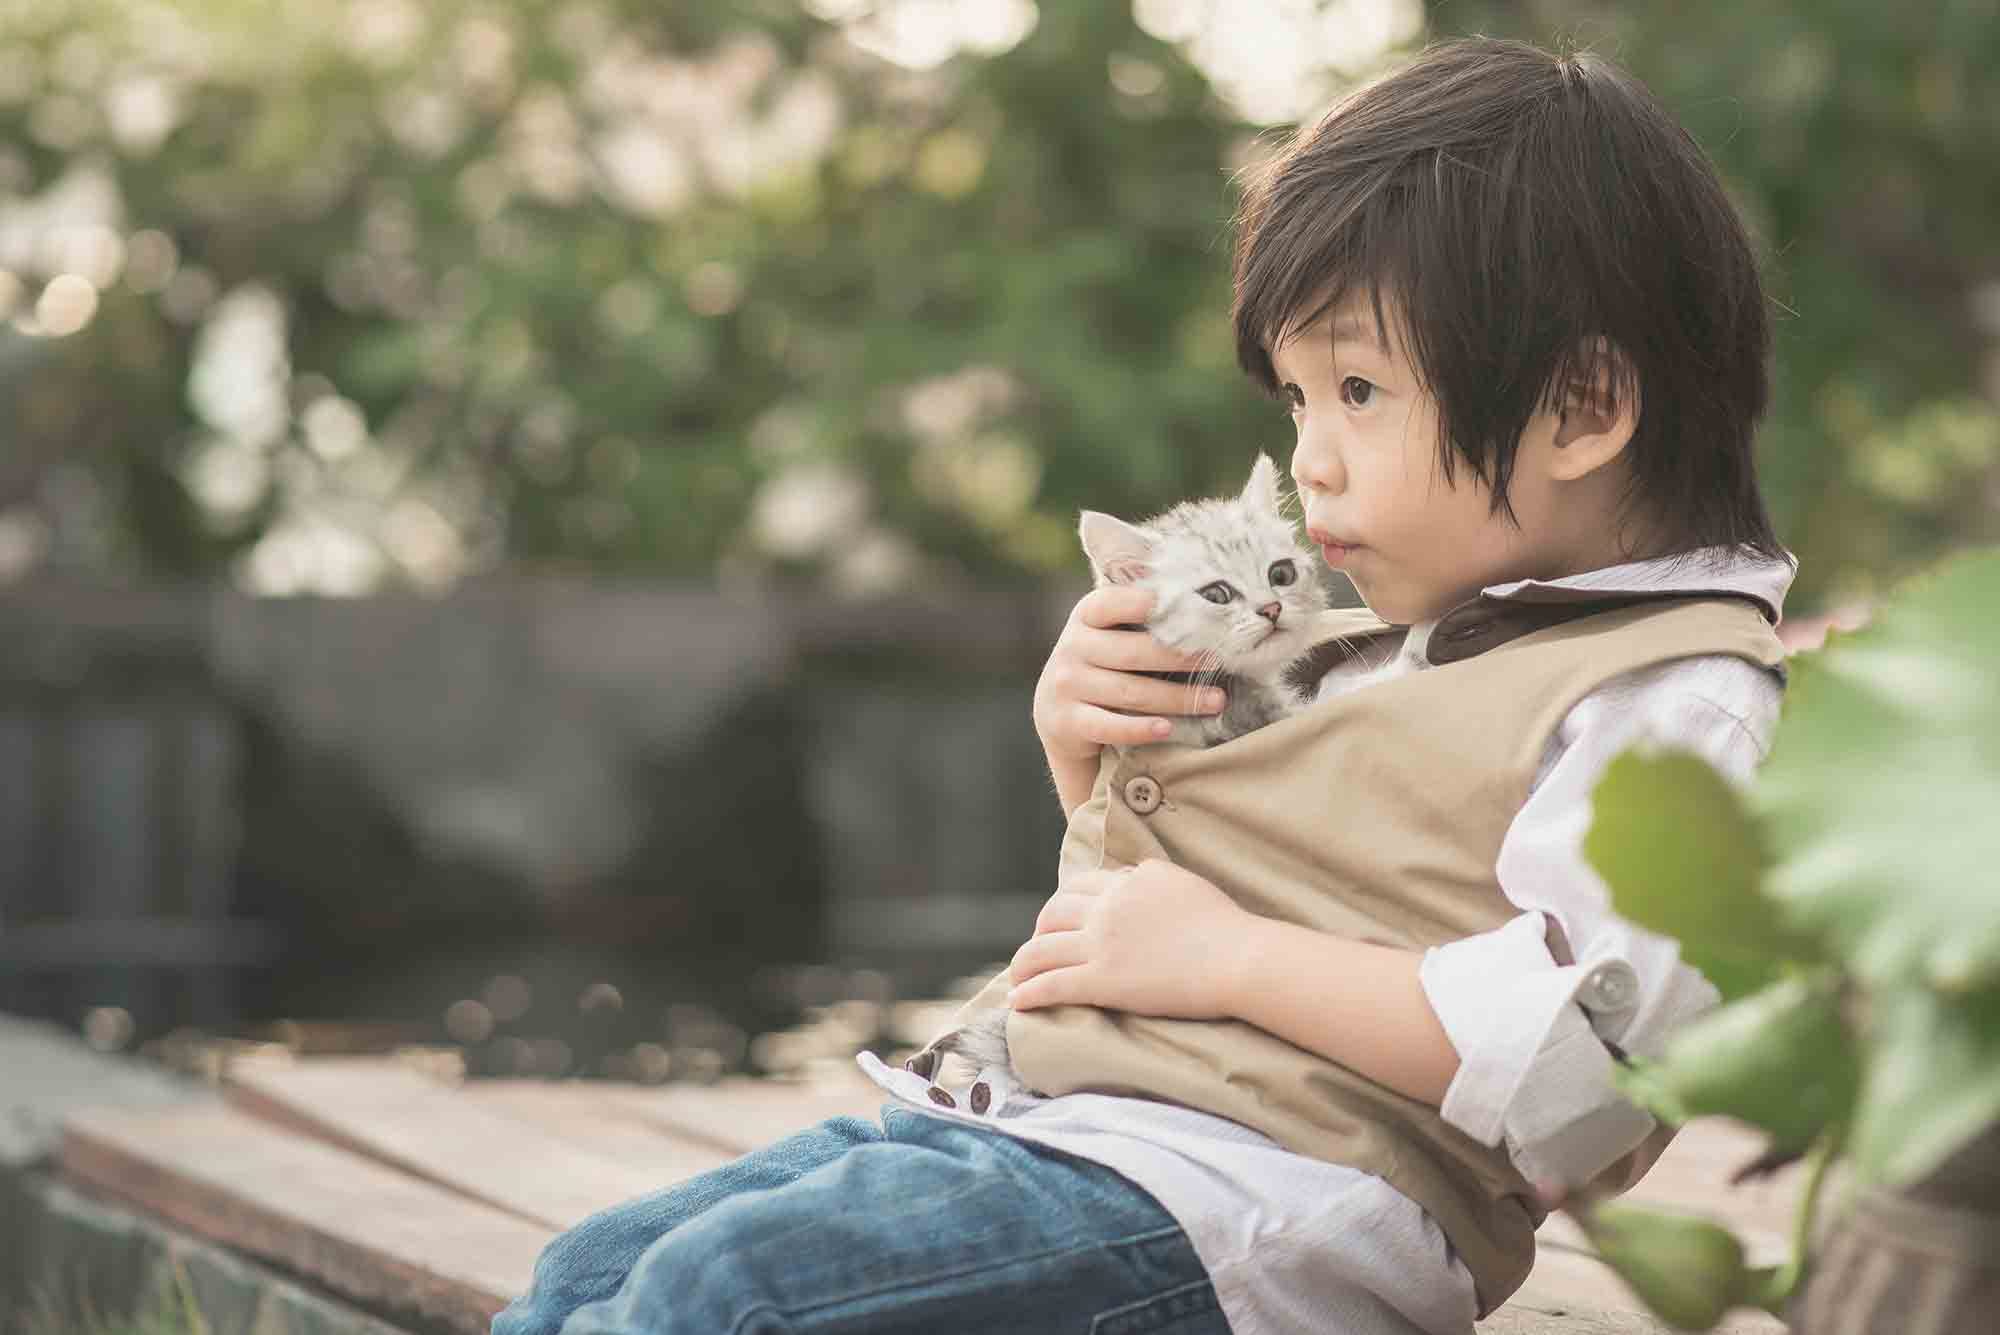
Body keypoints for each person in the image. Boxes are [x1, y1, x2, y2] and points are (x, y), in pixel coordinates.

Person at [494, 34, 1795, 1335]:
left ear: (1581, 407)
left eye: (1358, 390)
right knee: (593, 1275)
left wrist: (1228, 959)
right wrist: (1098, 748)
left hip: (1256, 1203)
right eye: (1296, 400)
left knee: (726, 1300)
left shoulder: (1674, 700)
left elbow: (1581, 1083)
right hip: (1073, 1134)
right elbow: (1226, 893)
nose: (1312, 461)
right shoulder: (1439, 645)